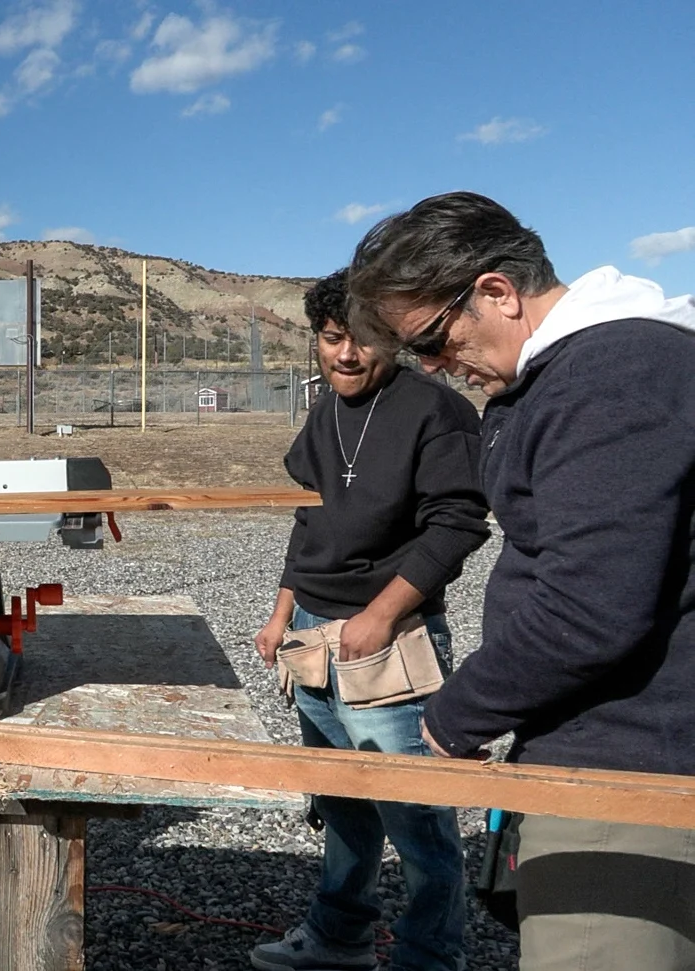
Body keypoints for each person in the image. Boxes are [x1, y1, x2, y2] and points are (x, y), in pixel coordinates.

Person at [346, 190, 695, 971]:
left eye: (433, 339)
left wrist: (456, 715)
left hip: (630, 774)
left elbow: (589, 605)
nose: (437, 367)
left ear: (497, 291)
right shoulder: (593, 371)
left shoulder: (610, 379)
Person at [251, 269, 490, 971]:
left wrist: (383, 614)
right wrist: (281, 610)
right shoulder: (323, 412)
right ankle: (339, 937)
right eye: (332, 340)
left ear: (393, 338)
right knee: (341, 802)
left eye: (364, 341)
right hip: (314, 634)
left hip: (393, 637)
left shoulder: (434, 410)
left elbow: (459, 523)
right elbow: (309, 520)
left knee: (416, 816)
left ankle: (428, 956)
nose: (347, 356)